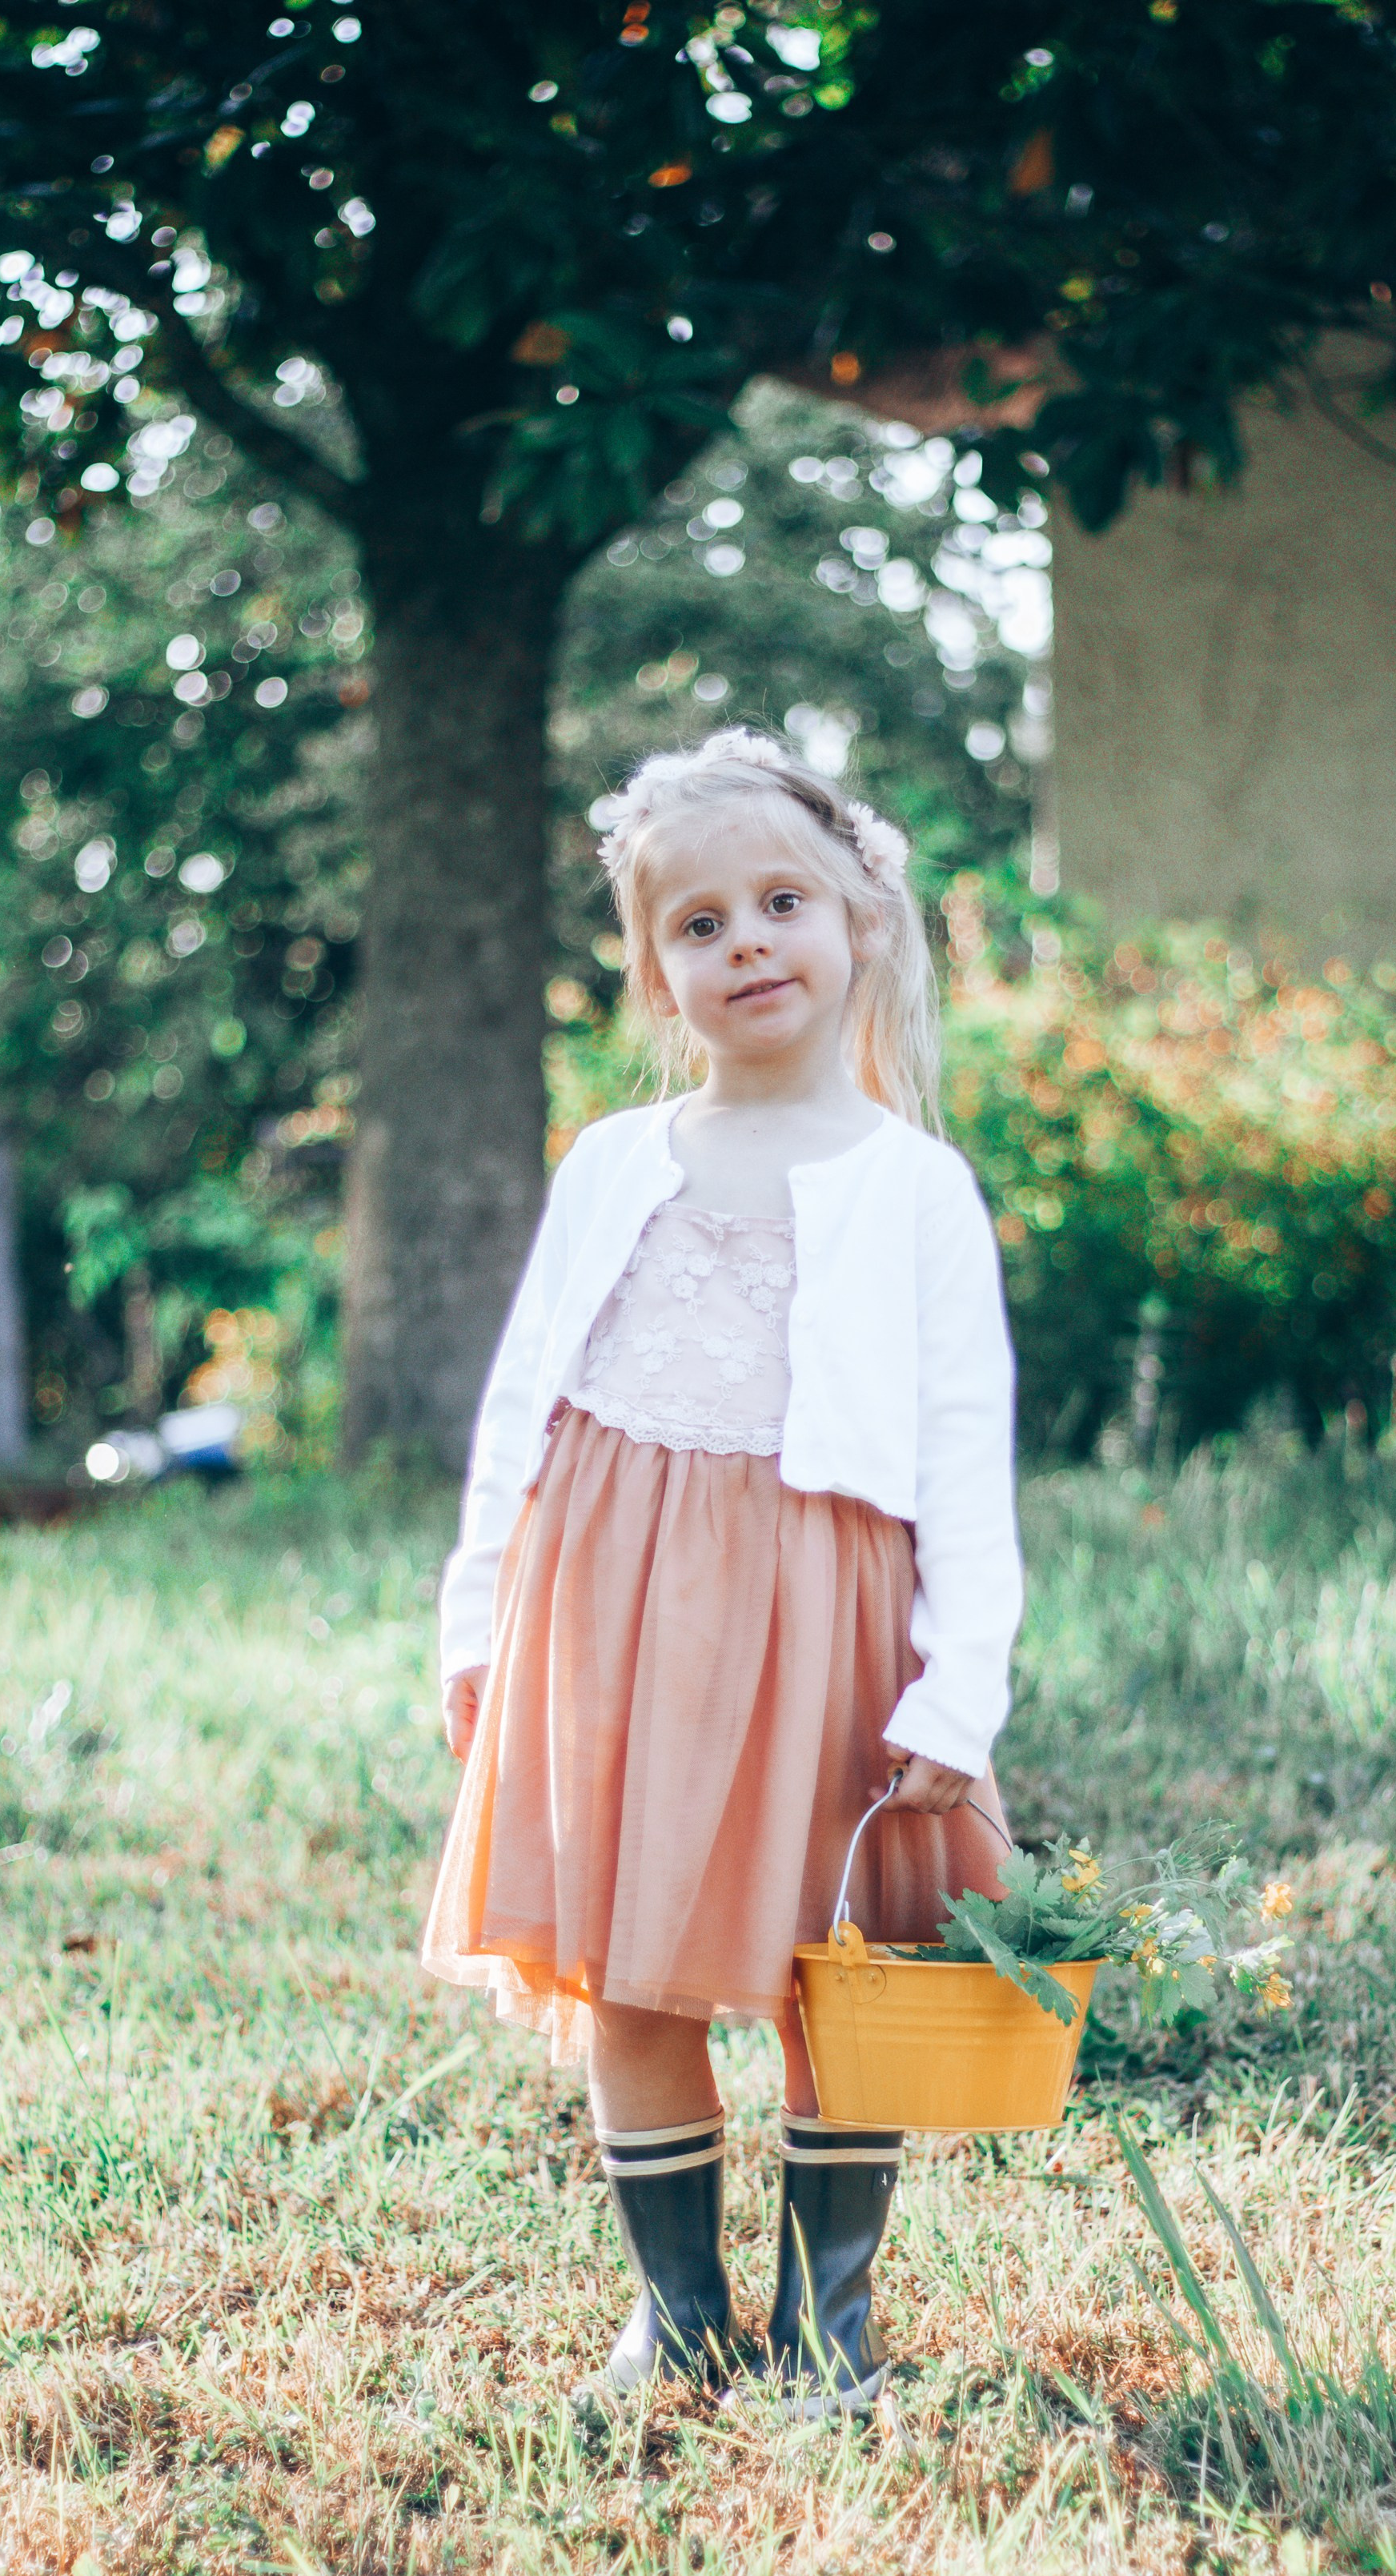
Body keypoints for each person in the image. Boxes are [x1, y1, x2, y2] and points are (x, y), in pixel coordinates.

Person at [423, 728, 1021, 2416]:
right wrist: (479, 1611)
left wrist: (956, 1684)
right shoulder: (616, 1163)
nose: (746, 941)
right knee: (624, 1958)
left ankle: (828, 2325)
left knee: (830, 1970)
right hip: (608, 1608)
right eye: (698, 924)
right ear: (654, 973)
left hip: (825, 1614)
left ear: (861, 927)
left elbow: (966, 1461)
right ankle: (675, 2315)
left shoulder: (915, 1186)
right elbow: (521, 1404)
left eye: (782, 903)